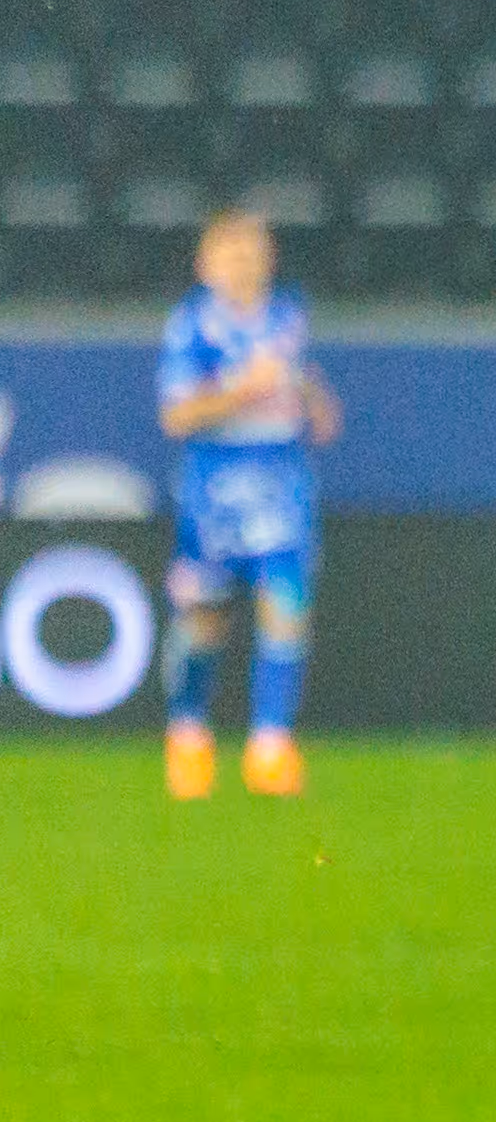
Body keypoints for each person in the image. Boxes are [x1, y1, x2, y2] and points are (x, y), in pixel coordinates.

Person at [158, 211, 339, 800]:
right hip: (216, 484)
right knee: (204, 620)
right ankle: (188, 736)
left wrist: (313, 399)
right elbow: (177, 414)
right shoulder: (192, 327)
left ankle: (270, 747)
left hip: (281, 477)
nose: (245, 263)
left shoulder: (288, 316)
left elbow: (298, 379)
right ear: (205, 264)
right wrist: (243, 390)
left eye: (254, 251)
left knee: (286, 604)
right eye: (231, 253)